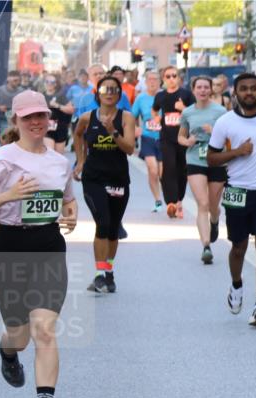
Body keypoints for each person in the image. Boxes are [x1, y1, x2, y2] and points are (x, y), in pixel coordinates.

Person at [0, 90, 78, 398]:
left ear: (49, 119)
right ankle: (7, 351)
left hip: (47, 247)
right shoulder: (2, 158)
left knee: (44, 328)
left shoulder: (60, 163)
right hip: (8, 248)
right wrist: (9, 196)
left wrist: (70, 216)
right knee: (20, 335)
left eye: (41, 116)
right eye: (28, 117)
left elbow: (68, 202)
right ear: (16, 120)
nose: (35, 122)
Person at [208, 73, 256, 327]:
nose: (250, 93)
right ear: (236, 92)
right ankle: (236, 284)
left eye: (254, 89)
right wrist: (237, 152)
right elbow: (212, 158)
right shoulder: (225, 122)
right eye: (244, 89)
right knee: (239, 247)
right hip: (237, 191)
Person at [72, 75, 136, 294]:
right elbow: (78, 135)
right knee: (103, 222)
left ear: (119, 95)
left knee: (113, 229)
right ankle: (99, 274)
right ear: (97, 94)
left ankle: (108, 272)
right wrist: (80, 160)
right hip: (94, 178)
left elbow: (129, 148)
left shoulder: (126, 117)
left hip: (118, 178)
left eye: (114, 90)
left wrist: (112, 132)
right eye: (105, 90)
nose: (109, 93)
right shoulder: (87, 118)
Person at [179, 76, 227, 265]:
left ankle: (215, 221)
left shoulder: (221, 111)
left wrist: (214, 130)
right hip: (195, 159)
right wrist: (187, 141)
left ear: (211, 90)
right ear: (193, 90)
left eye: (206, 87)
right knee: (203, 203)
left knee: (213, 206)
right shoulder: (187, 113)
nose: (203, 90)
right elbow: (180, 137)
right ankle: (206, 246)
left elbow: (230, 135)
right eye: (199, 87)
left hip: (216, 159)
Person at [153, 66, 195, 219]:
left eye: (174, 76)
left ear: (178, 78)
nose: (171, 79)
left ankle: (179, 199)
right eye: (168, 76)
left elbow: (195, 113)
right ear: (164, 79)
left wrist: (182, 108)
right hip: (166, 137)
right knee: (169, 167)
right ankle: (170, 201)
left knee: (182, 169)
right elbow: (154, 110)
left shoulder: (186, 94)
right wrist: (156, 117)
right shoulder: (160, 96)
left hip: (183, 137)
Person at [132, 70, 164, 212]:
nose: (152, 82)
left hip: (164, 138)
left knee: (163, 173)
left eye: (155, 79)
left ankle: (168, 200)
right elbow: (131, 116)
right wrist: (135, 129)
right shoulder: (141, 98)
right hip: (147, 137)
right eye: (150, 79)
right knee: (153, 170)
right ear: (145, 82)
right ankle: (158, 201)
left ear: (159, 82)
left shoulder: (165, 96)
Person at [41, 73, 73, 153]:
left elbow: (71, 110)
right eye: (47, 81)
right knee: (50, 153)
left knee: (59, 156)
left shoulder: (60, 95)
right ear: (44, 83)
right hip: (47, 129)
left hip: (60, 128)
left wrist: (57, 105)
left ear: (55, 84)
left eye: (51, 82)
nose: (49, 84)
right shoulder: (41, 96)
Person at [0, 72, 25, 136]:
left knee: (17, 139)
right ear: (8, 79)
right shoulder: (0, 90)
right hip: (3, 119)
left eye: (18, 80)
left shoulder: (22, 91)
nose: (17, 82)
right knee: (5, 138)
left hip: (18, 120)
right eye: (15, 80)